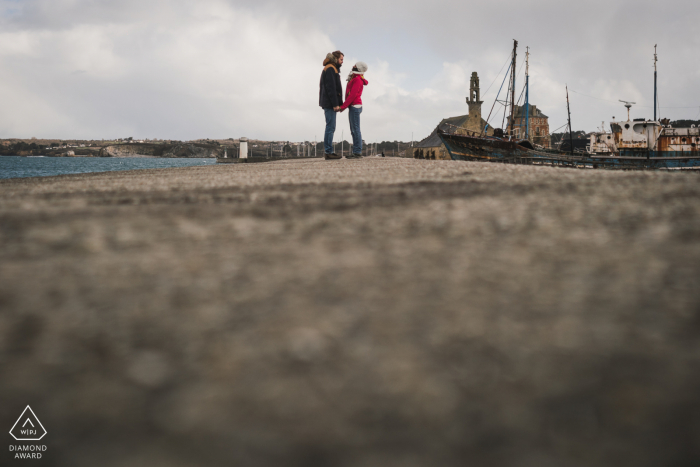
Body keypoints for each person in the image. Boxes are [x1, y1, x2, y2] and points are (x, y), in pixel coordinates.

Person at [339, 62, 368, 159]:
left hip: (355, 106)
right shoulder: (355, 78)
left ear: (358, 68)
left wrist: (342, 107)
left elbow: (352, 95)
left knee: (355, 130)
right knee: (354, 130)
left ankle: (357, 152)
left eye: (355, 65)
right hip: (354, 106)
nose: (353, 66)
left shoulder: (357, 80)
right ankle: (356, 151)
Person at [319, 51, 344, 160]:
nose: (342, 62)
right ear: (336, 59)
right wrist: (335, 104)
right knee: (330, 127)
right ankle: (328, 152)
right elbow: (331, 88)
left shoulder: (332, 68)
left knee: (331, 126)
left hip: (330, 103)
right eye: (341, 59)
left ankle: (329, 151)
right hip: (329, 104)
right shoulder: (330, 68)